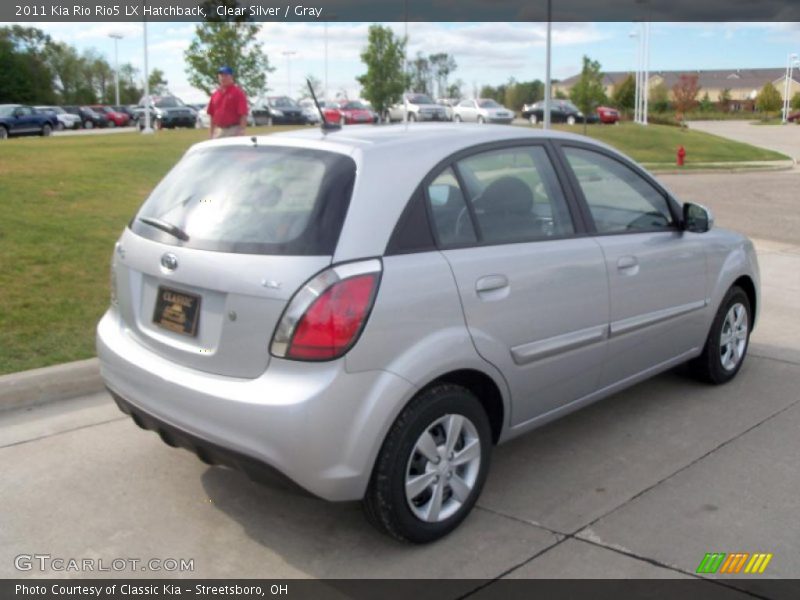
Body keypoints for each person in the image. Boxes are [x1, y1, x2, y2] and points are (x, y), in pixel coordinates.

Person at [207, 66, 248, 138]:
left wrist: (242, 130)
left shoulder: (238, 93)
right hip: (219, 130)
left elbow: (243, 113)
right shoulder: (215, 94)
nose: (223, 78)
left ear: (231, 77)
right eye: (221, 76)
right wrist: (211, 132)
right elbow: (212, 115)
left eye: (226, 75)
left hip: (233, 130)